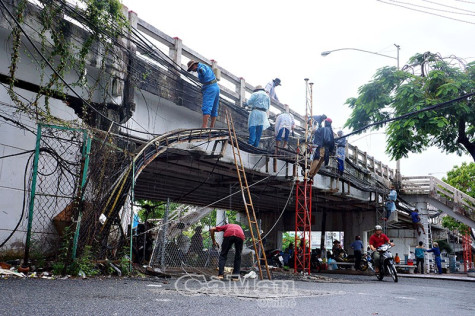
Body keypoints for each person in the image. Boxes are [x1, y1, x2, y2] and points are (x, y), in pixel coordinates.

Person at [187, 60, 220, 128]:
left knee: (207, 106)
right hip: (216, 87)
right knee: (214, 107)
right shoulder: (205, 66)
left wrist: (200, 70)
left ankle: (204, 126)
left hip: (210, 88)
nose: (192, 70)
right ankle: (212, 126)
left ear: (194, 65)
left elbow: (203, 71)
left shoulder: (200, 68)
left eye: (191, 69)